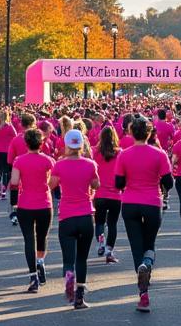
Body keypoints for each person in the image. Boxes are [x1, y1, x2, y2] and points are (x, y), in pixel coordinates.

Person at [114, 116, 171, 312]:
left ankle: (143, 293)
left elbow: (119, 183)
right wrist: (158, 182)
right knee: (149, 243)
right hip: (152, 202)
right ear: (149, 133)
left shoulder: (124, 155)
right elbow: (169, 182)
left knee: (136, 246)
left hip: (130, 202)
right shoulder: (159, 154)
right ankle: (147, 263)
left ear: (131, 132)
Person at [50, 129, 99, 309]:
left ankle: (69, 282)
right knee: (82, 259)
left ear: (66, 144)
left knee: (68, 259)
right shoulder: (90, 164)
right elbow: (96, 184)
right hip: (86, 215)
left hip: (67, 216)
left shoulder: (59, 165)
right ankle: (80, 297)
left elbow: (51, 185)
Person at [10, 126, 55, 294]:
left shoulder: (19, 161)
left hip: (25, 204)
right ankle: (40, 262)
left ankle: (33, 276)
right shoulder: (48, 160)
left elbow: (14, 182)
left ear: (26, 143)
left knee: (29, 239)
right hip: (44, 203)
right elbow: (54, 181)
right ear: (41, 143)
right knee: (42, 237)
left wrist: (14, 204)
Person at [93, 125, 123, 264]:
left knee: (99, 222)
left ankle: (101, 242)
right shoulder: (119, 152)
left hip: (99, 193)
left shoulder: (95, 152)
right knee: (112, 224)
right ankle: (109, 252)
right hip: (115, 194)